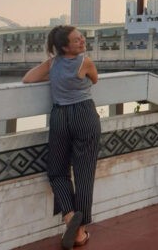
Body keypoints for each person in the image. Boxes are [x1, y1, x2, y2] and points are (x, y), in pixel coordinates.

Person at [23, 25, 100, 249]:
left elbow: (28, 79)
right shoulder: (85, 62)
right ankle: (79, 232)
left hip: (60, 117)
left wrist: (52, 70)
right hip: (84, 115)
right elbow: (94, 80)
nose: (82, 41)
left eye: (81, 38)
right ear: (65, 46)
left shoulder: (52, 63)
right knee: (84, 173)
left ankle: (69, 217)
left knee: (57, 171)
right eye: (77, 40)